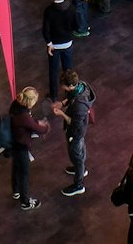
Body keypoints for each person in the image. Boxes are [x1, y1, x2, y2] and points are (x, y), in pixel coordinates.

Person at [52, 68, 93, 197]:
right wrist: (63, 103)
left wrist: (61, 114)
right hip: (79, 129)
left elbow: (74, 123)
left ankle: (78, 184)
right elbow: (71, 96)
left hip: (76, 132)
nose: (62, 88)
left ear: (70, 85)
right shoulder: (81, 85)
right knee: (80, 151)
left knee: (76, 155)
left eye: (63, 85)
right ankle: (80, 168)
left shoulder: (79, 106)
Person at [7, 87, 47, 210]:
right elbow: (38, 128)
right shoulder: (23, 116)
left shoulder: (16, 105)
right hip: (21, 145)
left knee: (16, 166)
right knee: (24, 173)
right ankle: (25, 202)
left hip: (14, 142)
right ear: (30, 102)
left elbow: (28, 122)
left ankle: (16, 190)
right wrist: (45, 126)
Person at [42, 0, 78, 93]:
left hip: (54, 45)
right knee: (68, 70)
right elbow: (77, 26)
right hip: (67, 43)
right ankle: (70, 92)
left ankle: (53, 95)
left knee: (53, 71)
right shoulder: (71, 8)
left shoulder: (49, 11)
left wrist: (49, 44)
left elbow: (45, 30)